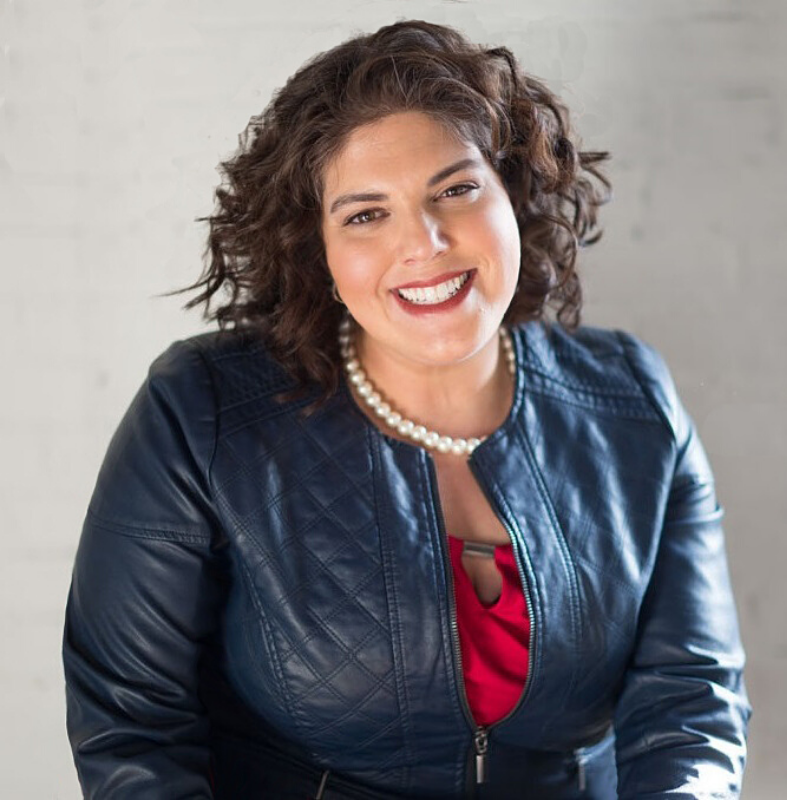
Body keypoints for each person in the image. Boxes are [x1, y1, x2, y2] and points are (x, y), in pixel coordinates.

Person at [62, 19, 751, 799]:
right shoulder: (203, 414)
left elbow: (691, 709)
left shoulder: (631, 401)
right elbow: (133, 730)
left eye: (455, 189)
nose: (423, 243)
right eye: (365, 214)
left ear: (512, 194)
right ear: (314, 249)